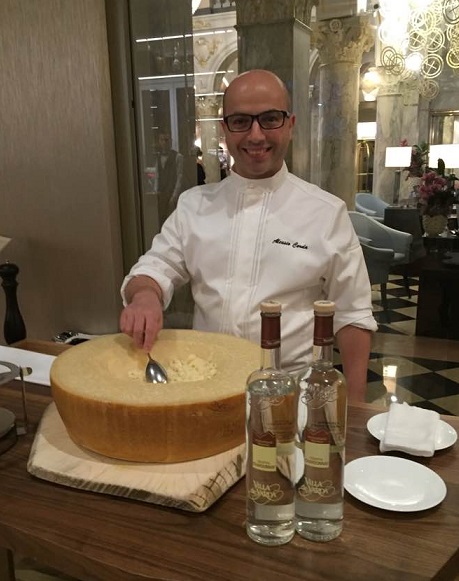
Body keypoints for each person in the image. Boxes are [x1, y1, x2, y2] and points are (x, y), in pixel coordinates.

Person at [120, 69, 377, 401]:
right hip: (204, 389)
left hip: (290, 398)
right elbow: (155, 268)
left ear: (290, 124)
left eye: (270, 119)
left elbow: (352, 314)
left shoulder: (326, 213)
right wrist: (145, 298)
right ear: (225, 128)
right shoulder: (194, 205)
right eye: (241, 121)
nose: (256, 135)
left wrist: (354, 411)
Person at [155, 132, 184, 225]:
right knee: (161, 220)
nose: (164, 142)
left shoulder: (178, 157)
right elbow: (157, 175)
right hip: (161, 194)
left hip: (172, 193)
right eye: (162, 140)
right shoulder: (158, 157)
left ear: (170, 142)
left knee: (173, 221)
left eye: (166, 140)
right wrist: (156, 192)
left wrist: (174, 195)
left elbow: (180, 177)